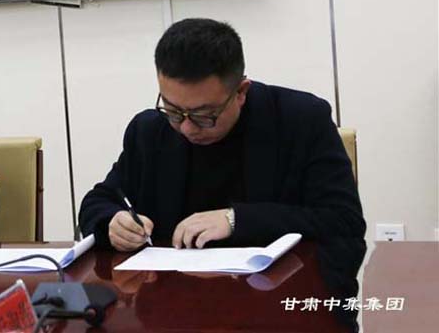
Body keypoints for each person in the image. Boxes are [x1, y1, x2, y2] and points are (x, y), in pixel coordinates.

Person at [78, 18, 365, 256]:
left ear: (241, 92)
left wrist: (236, 220)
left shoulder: (301, 120)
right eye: (173, 110)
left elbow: (342, 219)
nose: (187, 128)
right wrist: (113, 222)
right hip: (170, 294)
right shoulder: (149, 131)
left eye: (204, 115)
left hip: (271, 293)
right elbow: (99, 201)